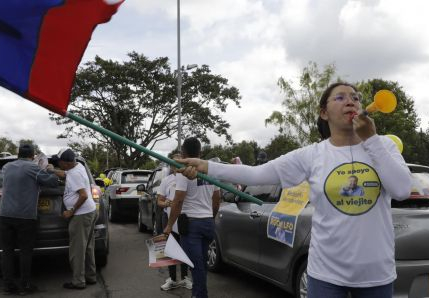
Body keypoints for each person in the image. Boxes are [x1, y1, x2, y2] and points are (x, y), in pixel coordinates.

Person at [176, 82, 412, 298]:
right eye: (340, 97)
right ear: (323, 112)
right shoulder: (312, 155)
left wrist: (371, 140)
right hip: (325, 273)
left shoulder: (383, 146)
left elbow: (402, 190)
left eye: (355, 97)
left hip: (375, 273)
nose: (351, 101)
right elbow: (256, 174)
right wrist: (207, 166)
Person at [164, 137, 221, 298]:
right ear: (200, 151)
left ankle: (200, 295)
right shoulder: (210, 170)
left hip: (191, 226)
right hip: (207, 223)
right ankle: (198, 293)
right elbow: (217, 199)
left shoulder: (185, 170)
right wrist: (211, 217)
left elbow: (178, 200)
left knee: (196, 266)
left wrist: (169, 226)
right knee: (201, 263)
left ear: (183, 153)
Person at [0, 144, 58, 295]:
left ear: (18, 155)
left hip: (5, 215)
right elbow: (52, 182)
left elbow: (3, 179)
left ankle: (8, 285)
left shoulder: (6, 167)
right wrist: (49, 168)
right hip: (25, 217)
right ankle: (25, 286)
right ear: (32, 156)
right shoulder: (33, 169)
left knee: (7, 252)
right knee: (25, 252)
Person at [49, 148, 98, 290]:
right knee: (88, 247)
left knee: (77, 251)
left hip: (81, 215)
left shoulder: (75, 173)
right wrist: (52, 170)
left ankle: (78, 281)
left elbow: (83, 195)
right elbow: (65, 174)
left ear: (66, 162)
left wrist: (71, 211)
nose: (58, 163)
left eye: (59, 162)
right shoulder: (78, 166)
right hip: (89, 212)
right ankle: (90, 276)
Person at [157, 154, 192, 291]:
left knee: (184, 249)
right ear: (171, 165)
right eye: (174, 162)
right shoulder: (166, 180)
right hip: (169, 217)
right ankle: (172, 279)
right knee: (169, 249)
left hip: (183, 218)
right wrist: (165, 202)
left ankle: (184, 278)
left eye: (179, 161)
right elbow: (159, 200)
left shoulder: (189, 178)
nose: (176, 164)